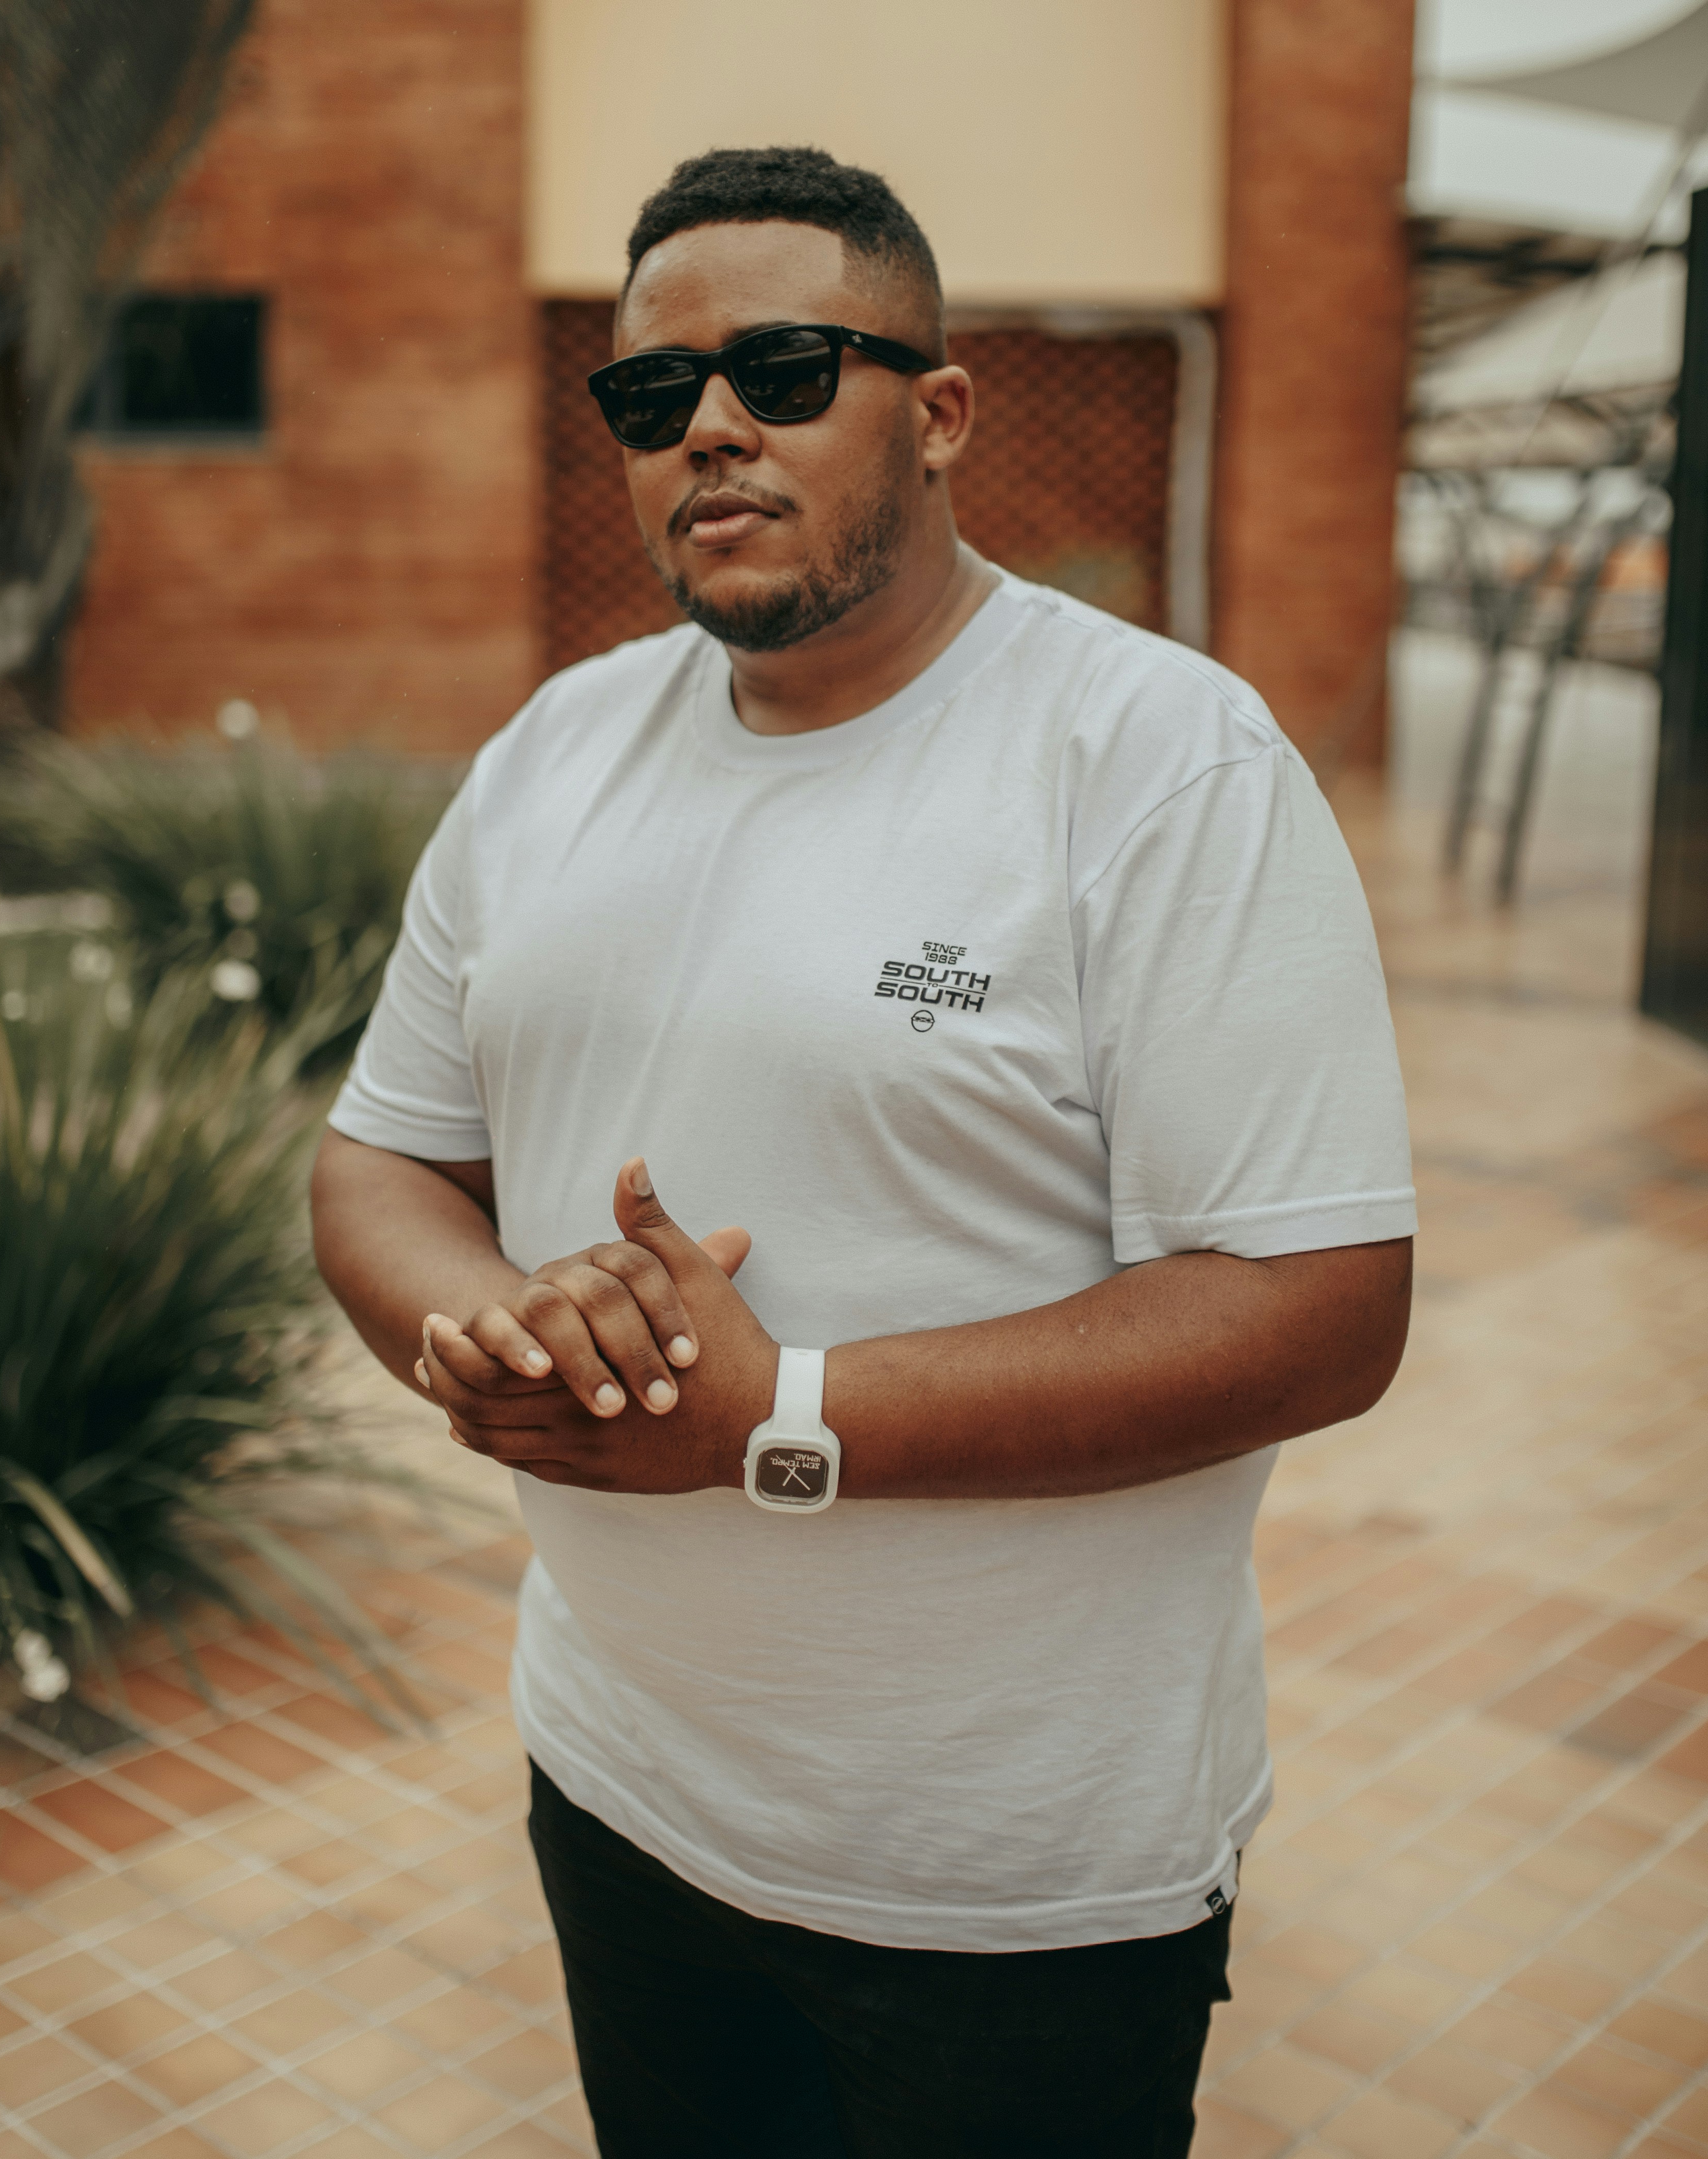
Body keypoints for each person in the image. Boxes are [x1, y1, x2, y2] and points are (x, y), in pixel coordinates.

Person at [311, 145, 1415, 2158]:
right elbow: (383, 1161)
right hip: (620, 1787)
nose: (710, 427)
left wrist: (777, 1417)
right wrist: (493, 1334)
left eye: (785, 370)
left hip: (1009, 1880)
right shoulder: (550, 754)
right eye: (652, 392)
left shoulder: (1158, 762)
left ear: (941, 411)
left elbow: (1318, 1306)